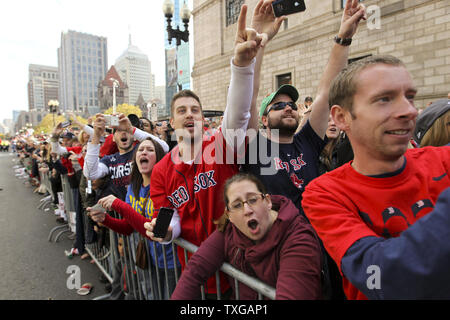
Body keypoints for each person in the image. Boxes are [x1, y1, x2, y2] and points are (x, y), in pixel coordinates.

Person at [301, 54, 450, 300]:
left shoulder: (443, 160)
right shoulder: (324, 193)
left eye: (410, 97)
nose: (408, 110)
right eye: (384, 99)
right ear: (342, 117)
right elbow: (381, 275)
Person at [144, 4, 267, 297]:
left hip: (239, 272)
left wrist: (241, 66)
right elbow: (169, 217)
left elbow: (237, 114)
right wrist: (164, 232)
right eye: (182, 111)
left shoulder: (220, 146)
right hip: (196, 275)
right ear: (171, 121)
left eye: (195, 110)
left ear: (202, 118)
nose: (190, 115)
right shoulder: (162, 171)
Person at [242, 0, 367, 216]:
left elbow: (327, 91)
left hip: (316, 241)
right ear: (264, 120)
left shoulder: (307, 141)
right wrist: (258, 42)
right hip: (279, 245)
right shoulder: (255, 147)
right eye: (278, 105)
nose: (288, 108)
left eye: (291, 104)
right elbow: (249, 95)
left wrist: (343, 38)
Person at [170, 173, 322, 300]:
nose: (247, 210)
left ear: (267, 201)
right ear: (229, 215)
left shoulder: (299, 240)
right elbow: (195, 270)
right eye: (237, 205)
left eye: (253, 200)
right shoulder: (229, 230)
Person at [89, 137, 180, 299]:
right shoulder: (133, 187)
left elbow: (157, 232)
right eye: (140, 150)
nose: (144, 152)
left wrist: (120, 206)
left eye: (150, 150)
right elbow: (129, 226)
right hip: (148, 259)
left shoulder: (167, 187)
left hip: (171, 262)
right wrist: (105, 219)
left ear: (159, 158)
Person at [83, 113, 169, 201]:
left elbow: (164, 147)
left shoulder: (141, 153)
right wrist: (96, 136)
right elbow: (90, 173)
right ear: (113, 138)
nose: (123, 133)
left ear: (134, 137)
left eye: (126, 130)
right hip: (120, 211)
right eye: (119, 131)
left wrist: (132, 129)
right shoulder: (109, 160)